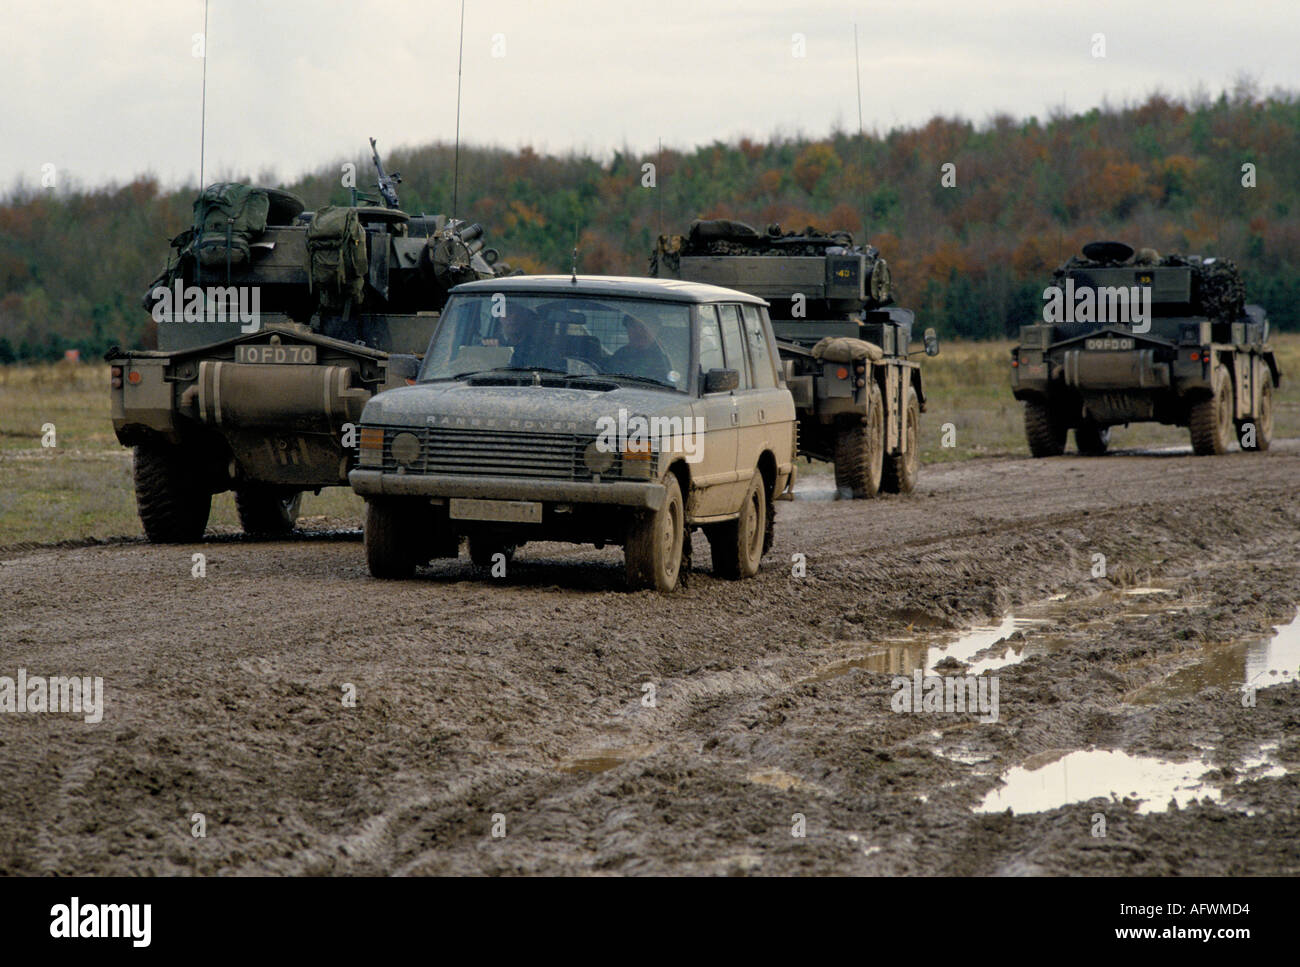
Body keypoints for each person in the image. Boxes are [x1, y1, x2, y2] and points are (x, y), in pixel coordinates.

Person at [608, 313, 671, 382]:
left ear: (656, 329)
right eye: (633, 326)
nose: (638, 331)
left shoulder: (667, 357)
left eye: (643, 326)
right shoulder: (620, 355)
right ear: (627, 329)